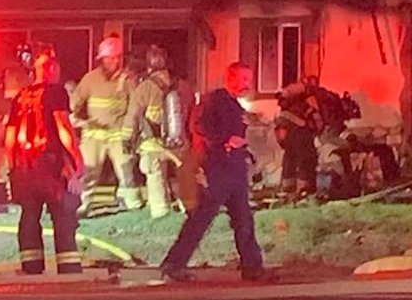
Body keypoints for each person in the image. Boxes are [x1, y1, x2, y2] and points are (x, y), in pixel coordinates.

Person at [160, 62, 275, 282]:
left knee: (243, 219)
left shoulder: (235, 106)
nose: (247, 84)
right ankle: (174, 264)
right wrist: (223, 141)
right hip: (216, 169)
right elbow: (198, 126)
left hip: (235, 170)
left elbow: (235, 136)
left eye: (249, 80)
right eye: (243, 79)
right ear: (229, 78)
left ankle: (252, 267)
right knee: (201, 218)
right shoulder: (213, 100)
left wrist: (245, 152)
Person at [5, 47, 85, 275]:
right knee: (64, 215)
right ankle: (68, 269)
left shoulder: (19, 97)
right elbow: (63, 129)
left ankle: (31, 267)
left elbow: (10, 138)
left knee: (29, 216)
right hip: (49, 166)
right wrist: (76, 160)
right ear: (50, 69)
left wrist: (12, 169)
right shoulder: (56, 92)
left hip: (23, 167)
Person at [71, 35, 143, 215]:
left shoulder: (128, 80)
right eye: (111, 58)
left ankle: (131, 202)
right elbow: (75, 103)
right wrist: (79, 119)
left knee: (126, 168)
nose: (116, 61)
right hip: (94, 134)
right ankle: (82, 204)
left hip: (118, 134)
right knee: (89, 170)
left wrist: (128, 131)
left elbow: (135, 105)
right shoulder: (90, 79)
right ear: (102, 59)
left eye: (118, 57)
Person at [127, 45, 180, 219]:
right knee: (181, 174)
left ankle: (161, 210)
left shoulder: (145, 88)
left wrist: (127, 138)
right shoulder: (180, 85)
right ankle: (187, 204)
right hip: (177, 139)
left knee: (154, 171)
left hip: (153, 142)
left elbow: (134, 115)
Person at [275, 80, 321, 198]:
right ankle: (303, 188)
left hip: (292, 135)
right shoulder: (308, 102)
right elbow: (317, 120)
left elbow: (281, 132)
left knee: (290, 159)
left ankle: (288, 189)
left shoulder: (286, 111)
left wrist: (282, 141)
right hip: (302, 135)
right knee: (305, 159)